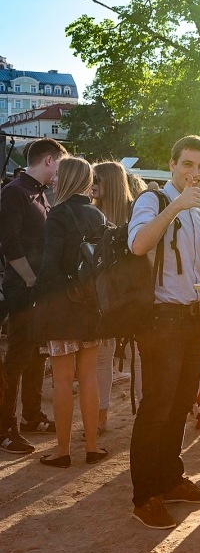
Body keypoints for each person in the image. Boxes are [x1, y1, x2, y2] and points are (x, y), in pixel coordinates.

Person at [128, 135, 200, 529]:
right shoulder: (153, 200)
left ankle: (170, 479)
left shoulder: (196, 210)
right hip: (159, 319)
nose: (195, 173)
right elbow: (138, 245)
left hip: (188, 319)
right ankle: (145, 495)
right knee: (156, 408)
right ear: (172, 164)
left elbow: (195, 271)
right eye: (188, 165)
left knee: (181, 405)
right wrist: (177, 205)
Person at [33, 157, 108, 467]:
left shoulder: (58, 215)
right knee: (89, 377)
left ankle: (62, 452)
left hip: (62, 307)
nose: (52, 181)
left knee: (62, 381)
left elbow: (49, 266)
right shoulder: (96, 214)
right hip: (91, 306)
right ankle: (92, 447)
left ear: (65, 180)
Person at [0, 138, 65, 454]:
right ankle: (5, 428)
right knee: (17, 357)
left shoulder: (40, 194)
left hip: (37, 291)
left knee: (36, 354)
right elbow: (8, 241)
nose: (59, 174)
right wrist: (29, 280)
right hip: (22, 290)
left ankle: (31, 416)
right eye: (59, 166)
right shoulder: (14, 192)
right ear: (49, 160)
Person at [92, 161, 135, 433]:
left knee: (137, 354)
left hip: (133, 293)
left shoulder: (137, 210)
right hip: (102, 294)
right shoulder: (91, 212)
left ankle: (144, 416)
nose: (91, 184)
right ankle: (99, 416)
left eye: (96, 179)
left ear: (110, 183)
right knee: (102, 354)